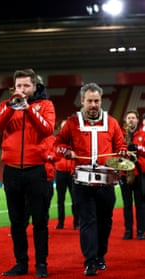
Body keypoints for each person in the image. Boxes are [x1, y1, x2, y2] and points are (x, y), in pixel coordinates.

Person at [54, 82, 128, 276]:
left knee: (105, 221)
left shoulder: (112, 122)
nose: (94, 105)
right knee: (87, 221)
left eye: (97, 101)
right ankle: (90, 261)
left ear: (101, 101)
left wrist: (122, 152)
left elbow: (121, 145)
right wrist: (65, 151)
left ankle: (100, 255)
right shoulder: (72, 122)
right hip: (81, 182)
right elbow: (58, 143)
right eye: (90, 101)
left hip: (106, 182)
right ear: (82, 101)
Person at [0, 69, 55, 278]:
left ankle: (41, 264)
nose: (22, 90)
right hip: (12, 171)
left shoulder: (46, 105)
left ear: (35, 86)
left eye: (26, 86)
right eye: (19, 86)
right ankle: (21, 263)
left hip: (36, 170)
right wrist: (11, 107)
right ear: (14, 87)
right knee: (16, 221)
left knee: (40, 221)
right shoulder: (7, 105)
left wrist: (28, 110)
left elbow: (47, 129)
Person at [119, 110, 145, 240]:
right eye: (128, 118)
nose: (131, 120)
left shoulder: (143, 134)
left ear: (137, 120)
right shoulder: (121, 135)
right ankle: (128, 231)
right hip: (124, 173)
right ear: (125, 120)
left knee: (140, 204)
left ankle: (141, 231)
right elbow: (116, 152)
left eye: (133, 118)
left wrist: (139, 149)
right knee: (127, 204)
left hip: (139, 173)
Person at [54, 120, 79, 230]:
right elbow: (53, 153)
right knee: (60, 199)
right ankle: (60, 222)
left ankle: (76, 222)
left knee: (75, 198)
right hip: (60, 172)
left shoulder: (76, 141)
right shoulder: (56, 141)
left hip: (72, 172)